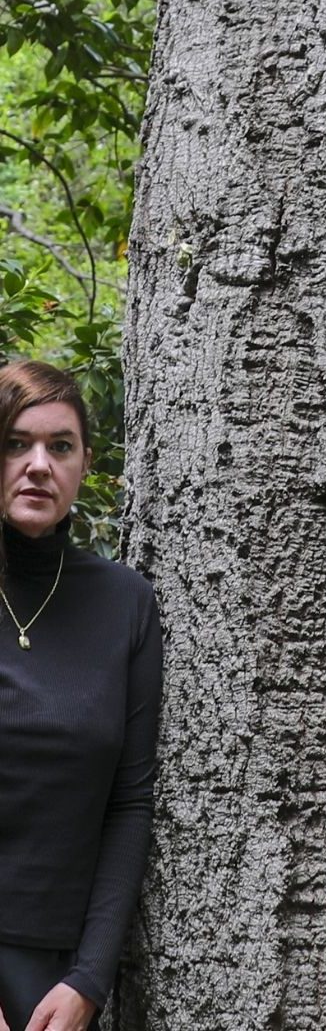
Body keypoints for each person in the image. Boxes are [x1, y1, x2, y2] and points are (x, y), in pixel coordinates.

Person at [0, 360, 162, 1031]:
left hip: (58, 985)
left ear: (85, 464)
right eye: (15, 443)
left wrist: (90, 979)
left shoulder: (125, 603)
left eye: (59, 446)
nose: (38, 465)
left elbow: (130, 801)